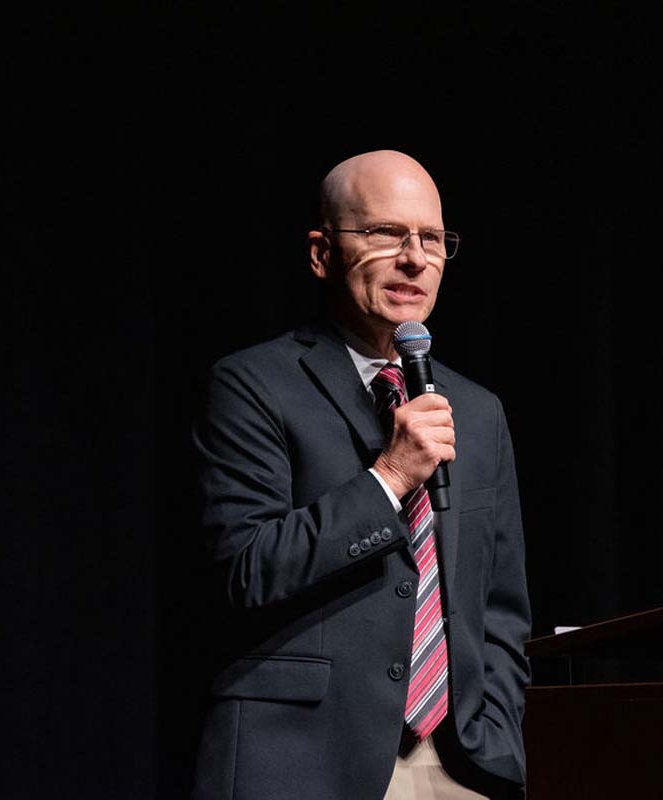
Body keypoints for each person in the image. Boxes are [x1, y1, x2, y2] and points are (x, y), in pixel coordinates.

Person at [192, 150, 531, 799]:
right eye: (385, 233)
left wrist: (498, 733)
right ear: (322, 253)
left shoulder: (478, 410)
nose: (415, 258)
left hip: (457, 764)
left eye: (432, 238)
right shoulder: (252, 385)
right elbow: (246, 569)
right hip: (301, 762)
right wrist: (390, 476)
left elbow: (501, 606)